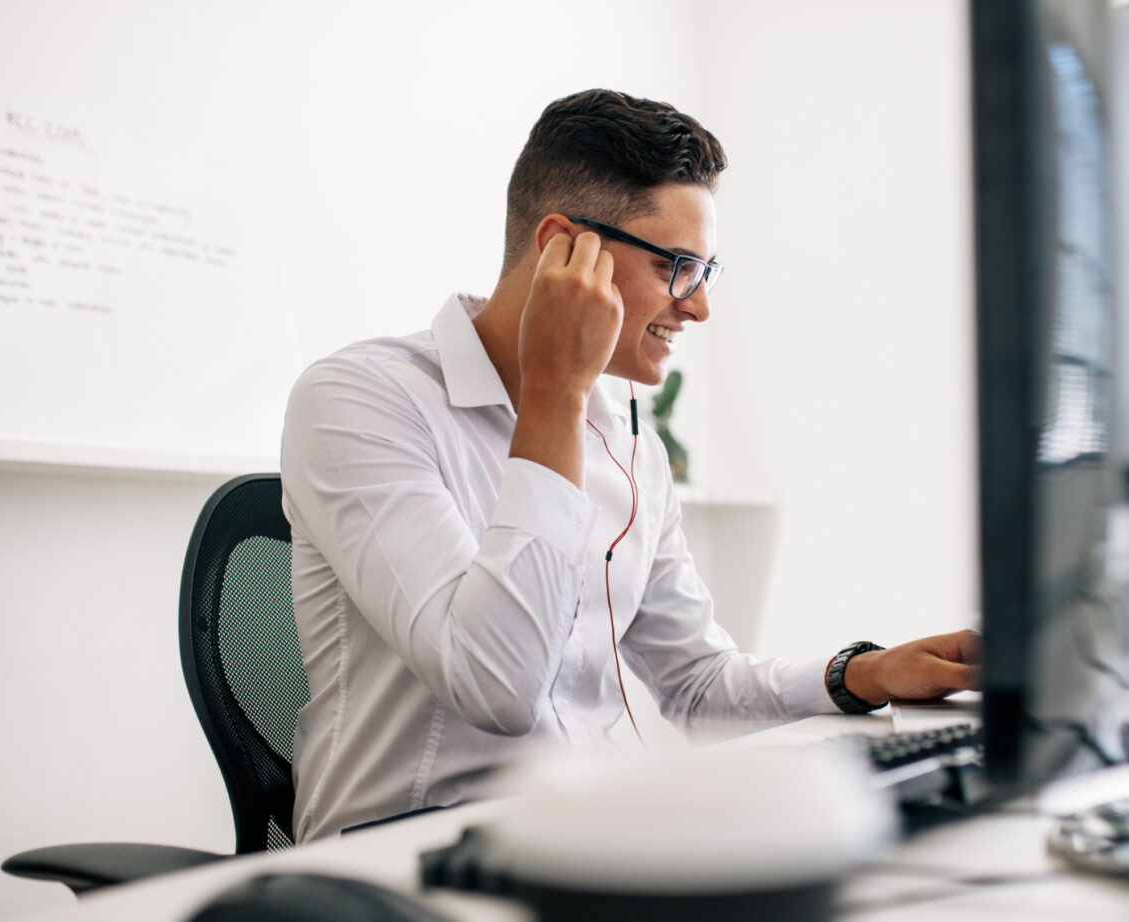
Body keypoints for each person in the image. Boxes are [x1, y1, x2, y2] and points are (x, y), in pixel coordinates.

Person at [281, 88, 980, 842]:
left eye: (708, 271)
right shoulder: (360, 399)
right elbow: (497, 686)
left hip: (585, 835)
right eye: (679, 266)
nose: (700, 307)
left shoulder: (629, 445)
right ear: (562, 251)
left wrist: (863, 675)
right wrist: (556, 392)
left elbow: (697, 684)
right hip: (405, 854)